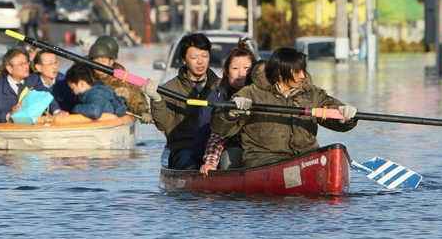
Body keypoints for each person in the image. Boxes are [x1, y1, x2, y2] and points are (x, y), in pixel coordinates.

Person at [210, 46, 357, 169]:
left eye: (303, 70)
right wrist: (231, 112)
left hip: (305, 158)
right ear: (280, 74)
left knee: (336, 150)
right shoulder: (251, 93)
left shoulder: (313, 94)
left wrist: (346, 116)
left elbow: (334, 112)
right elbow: (220, 128)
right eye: (296, 71)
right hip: (263, 161)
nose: (302, 75)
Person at [143, 32, 219, 169]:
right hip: (184, 148)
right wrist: (156, 99)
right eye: (194, 57)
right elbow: (163, 124)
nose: (200, 61)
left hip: (215, 149)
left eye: (204, 56)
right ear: (184, 59)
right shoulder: (170, 88)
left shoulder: (220, 87)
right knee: (188, 162)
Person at [196, 40, 258, 175]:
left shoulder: (264, 94)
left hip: (259, 154)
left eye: (247, 69)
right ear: (227, 73)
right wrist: (209, 163)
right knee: (232, 155)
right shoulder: (216, 98)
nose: (241, 73)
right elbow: (215, 136)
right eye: (235, 68)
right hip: (229, 155)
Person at [87, 37, 151, 122]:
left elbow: (134, 95)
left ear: (111, 61)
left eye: (103, 60)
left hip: (112, 116)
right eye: (97, 60)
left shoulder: (121, 78)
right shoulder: (85, 72)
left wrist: (142, 111)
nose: (100, 64)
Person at [0, 48, 38, 124]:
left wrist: (56, 110)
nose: (26, 67)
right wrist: (9, 114)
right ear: (9, 68)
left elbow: (50, 95)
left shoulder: (36, 81)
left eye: (27, 63)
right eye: (21, 64)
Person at [29, 50, 74, 115]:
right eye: (50, 64)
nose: (55, 67)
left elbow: (69, 105)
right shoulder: (31, 81)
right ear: (38, 67)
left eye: (56, 62)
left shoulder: (65, 83)